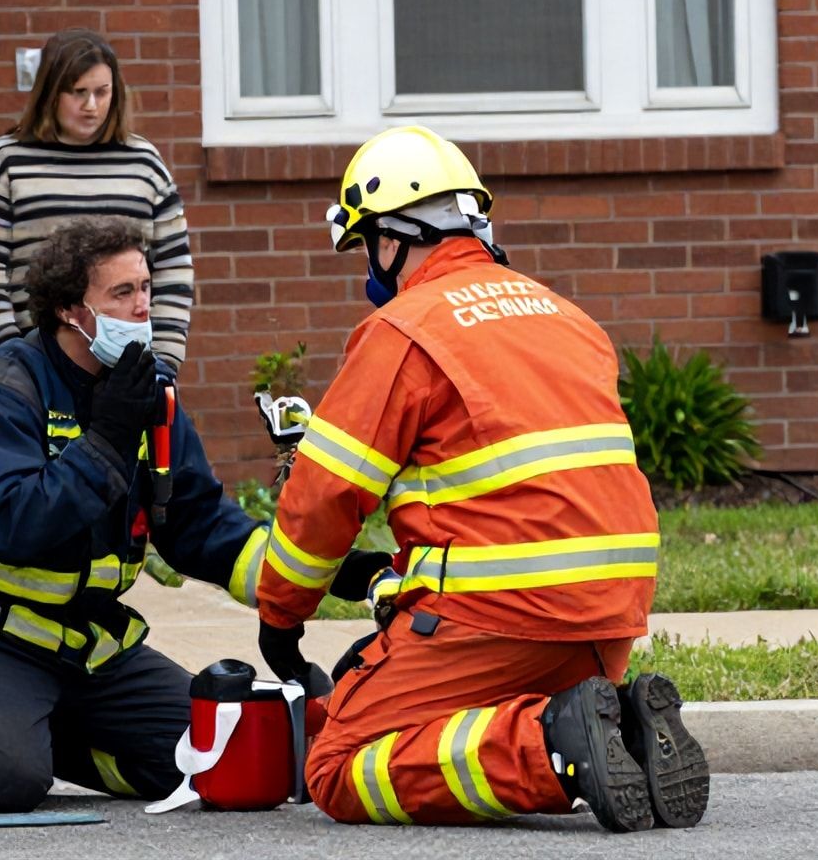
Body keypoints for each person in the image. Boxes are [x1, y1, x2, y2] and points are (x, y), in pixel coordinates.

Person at [255, 125, 709, 832]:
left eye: (367, 244)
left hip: (497, 615)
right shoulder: (567, 317)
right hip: (607, 620)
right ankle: (612, 725)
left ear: (395, 237)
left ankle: (550, 746)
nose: (370, 267)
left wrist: (281, 617)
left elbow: (324, 498)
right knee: (468, 718)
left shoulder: (406, 329)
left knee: (340, 762)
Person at [0, 216, 266, 812]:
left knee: (212, 759)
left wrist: (307, 572)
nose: (142, 307)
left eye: (146, 289)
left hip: (87, 644)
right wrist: (108, 438)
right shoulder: (0, 393)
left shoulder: (150, 395)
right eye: (122, 293)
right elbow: (16, 526)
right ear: (70, 309)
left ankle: (35, 733)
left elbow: (196, 522)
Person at [0, 29, 195, 371]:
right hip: (37, 363)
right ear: (51, 94)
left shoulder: (145, 165)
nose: (91, 106)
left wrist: (164, 362)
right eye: (78, 93)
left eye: (102, 93)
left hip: (130, 364)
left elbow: (174, 268)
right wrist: (9, 357)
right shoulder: (7, 162)